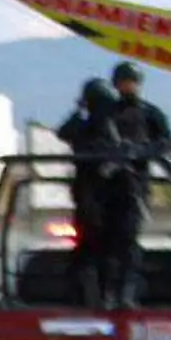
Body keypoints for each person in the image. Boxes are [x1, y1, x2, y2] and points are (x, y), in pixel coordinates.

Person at [96, 62, 171, 308]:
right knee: (105, 242)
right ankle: (106, 293)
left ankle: (126, 294)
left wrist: (139, 152)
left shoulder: (150, 113)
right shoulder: (106, 113)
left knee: (129, 242)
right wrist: (109, 153)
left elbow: (165, 143)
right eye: (122, 82)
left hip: (134, 185)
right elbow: (87, 137)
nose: (126, 86)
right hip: (106, 186)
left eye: (130, 81)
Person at [54, 77, 121, 307]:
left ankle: (102, 296)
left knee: (103, 251)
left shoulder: (107, 125)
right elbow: (63, 132)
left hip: (105, 195)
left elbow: (116, 154)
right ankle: (83, 296)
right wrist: (79, 110)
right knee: (87, 251)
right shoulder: (84, 124)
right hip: (87, 193)